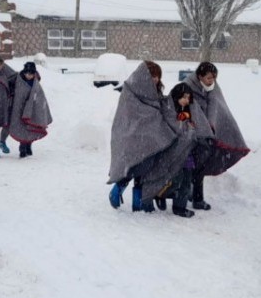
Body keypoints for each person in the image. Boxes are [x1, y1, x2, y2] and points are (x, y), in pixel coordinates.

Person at [107, 61, 195, 213]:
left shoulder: (155, 91)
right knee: (132, 166)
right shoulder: (131, 90)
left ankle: (138, 203)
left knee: (145, 169)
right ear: (144, 76)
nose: (155, 79)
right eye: (153, 76)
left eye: (157, 76)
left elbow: (160, 109)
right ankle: (117, 190)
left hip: (150, 138)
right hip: (133, 137)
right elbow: (128, 115)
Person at [182, 62, 250, 210]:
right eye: (208, 78)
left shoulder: (213, 86)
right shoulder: (187, 86)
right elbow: (187, 109)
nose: (211, 81)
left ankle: (192, 194)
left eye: (213, 78)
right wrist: (199, 126)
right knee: (193, 166)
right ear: (199, 76)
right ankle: (194, 197)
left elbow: (216, 104)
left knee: (199, 165)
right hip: (192, 134)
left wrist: (211, 124)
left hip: (208, 135)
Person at [154, 82, 215, 218]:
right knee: (176, 180)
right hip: (173, 153)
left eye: (189, 98)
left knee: (186, 179)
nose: (187, 100)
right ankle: (160, 194)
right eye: (184, 97)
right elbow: (174, 129)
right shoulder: (169, 109)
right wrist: (188, 128)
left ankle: (179, 207)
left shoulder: (189, 111)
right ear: (177, 96)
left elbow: (195, 127)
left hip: (187, 153)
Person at [9, 62, 53, 158]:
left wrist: (35, 105)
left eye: (31, 74)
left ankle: (29, 145)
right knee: (21, 129)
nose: (29, 76)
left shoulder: (36, 83)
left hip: (31, 110)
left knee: (31, 128)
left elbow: (40, 96)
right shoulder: (18, 80)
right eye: (27, 73)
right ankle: (22, 147)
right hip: (19, 108)